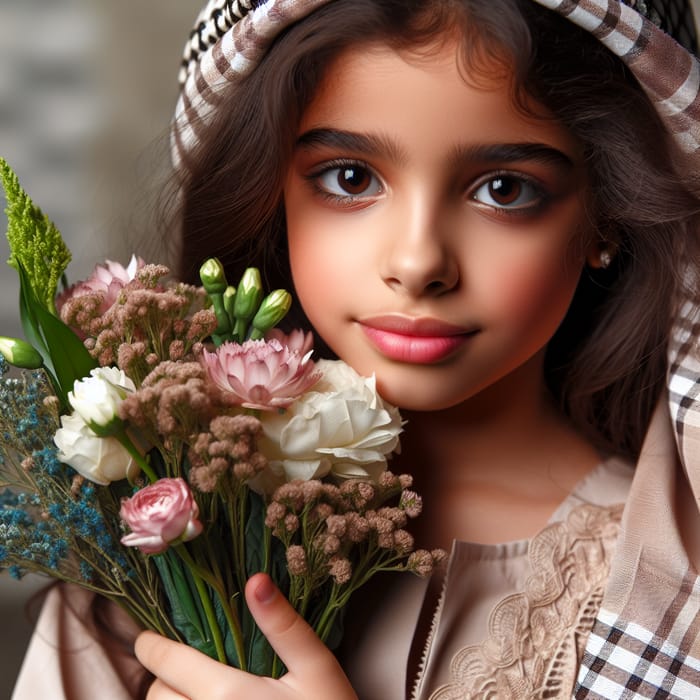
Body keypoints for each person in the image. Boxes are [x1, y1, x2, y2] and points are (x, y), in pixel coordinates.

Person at [12, 0, 700, 698]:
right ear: (270, 196)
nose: (417, 261)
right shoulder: (159, 528)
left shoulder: (675, 588)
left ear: (606, 218)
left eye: (505, 189)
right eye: (350, 178)